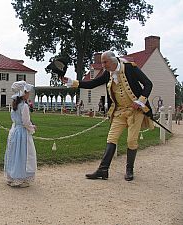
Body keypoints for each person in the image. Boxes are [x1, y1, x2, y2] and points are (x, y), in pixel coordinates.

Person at [63, 51, 154, 181]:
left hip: (136, 112)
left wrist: (140, 101)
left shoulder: (129, 67)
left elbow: (148, 84)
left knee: (131, 141)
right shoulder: (108, 73)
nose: (103, 65)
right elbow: (93, 84)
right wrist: (73, 82)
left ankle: (129, 170)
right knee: (111, 138)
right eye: (102, 62)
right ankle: (103, 170)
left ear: (113, 60)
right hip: (119, 111)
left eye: (105, 62)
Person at [4, 81, 37, 188]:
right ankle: (20, 178)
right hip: (22, 132)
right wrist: (32, 127)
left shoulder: (14, 105)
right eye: (27, 92)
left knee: (14, 154)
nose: (28, 94)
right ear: (23, 93)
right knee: (23, 155)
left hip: (14, 131)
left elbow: (17, 120)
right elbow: (26, 122)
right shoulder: (24, 106)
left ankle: (12, 177)